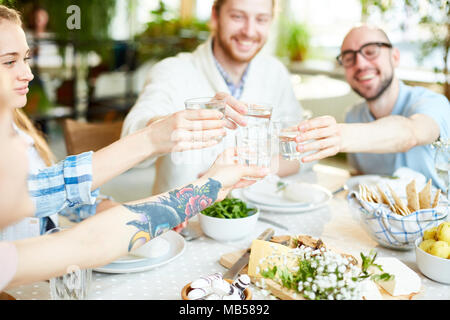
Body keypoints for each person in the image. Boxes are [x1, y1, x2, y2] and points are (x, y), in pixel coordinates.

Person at [0, 4, 246, 240]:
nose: (28, 74)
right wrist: (151, 138)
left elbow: (62, 197)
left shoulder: (17, 126)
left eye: (26, 59)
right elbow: (38, 192)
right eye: (9, 61)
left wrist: (146, 213)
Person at [121, 0, 305, 196]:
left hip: (257, 216)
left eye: (261, 19)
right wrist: (193, 119)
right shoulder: (171, 71)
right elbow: (130, 138)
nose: (249, 31)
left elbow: (300, 151)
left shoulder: (276, 73)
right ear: (215, 16)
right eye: (237, 16)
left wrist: (238, 173)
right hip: (181, 222)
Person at [294, 25, 450, 189]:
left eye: (370, 51)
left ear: (395, 57)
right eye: (348, 58)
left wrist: (340, 136)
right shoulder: (353, 116)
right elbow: (360, 180)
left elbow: (411, 133)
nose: (360, 64)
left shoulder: (433, 103)